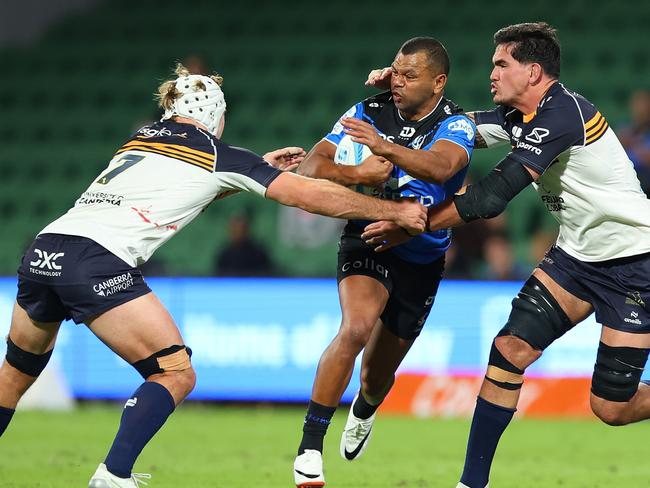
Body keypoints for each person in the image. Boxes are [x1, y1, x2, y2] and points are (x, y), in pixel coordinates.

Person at [0, 64, 428, 488]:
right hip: (95, 260)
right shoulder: (219, 154)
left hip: (46, 249)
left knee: (16, 372)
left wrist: (255, 168)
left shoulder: (140, 139)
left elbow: (180, 185)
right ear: (215, 116)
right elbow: (308, 195)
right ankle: (113, 476)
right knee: (175, 372)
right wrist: (394, 210)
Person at [362, 22, 650, 488]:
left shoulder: (564, 115)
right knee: (509, 349)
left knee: (611, 408)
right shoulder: (518, 117)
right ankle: (471, 484)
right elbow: (447, 127)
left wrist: (415, 222)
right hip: (575, 259)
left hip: (635, 264)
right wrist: (396, 93)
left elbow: (492, 196)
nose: (491, 73)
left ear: (533, 72)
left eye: (501, 64)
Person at [293, 37, 475, 488]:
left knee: (377, 376)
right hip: (369, 237)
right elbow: (310, 170)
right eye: (395, 71)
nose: (397, 81)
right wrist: (358, 175)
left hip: (423, 257)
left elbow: (439, 167)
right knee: (354, 329)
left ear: (438, 82)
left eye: (410, 75)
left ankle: (365, 408)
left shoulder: (456, 123)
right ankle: (309, 449)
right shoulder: (367, 112)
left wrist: (386, 151)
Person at [617, 89, 650, 194]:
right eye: (637, 105)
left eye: (644, 106)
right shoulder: (625, 129)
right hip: (625, 180)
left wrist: (633, 144)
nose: (640, 110)